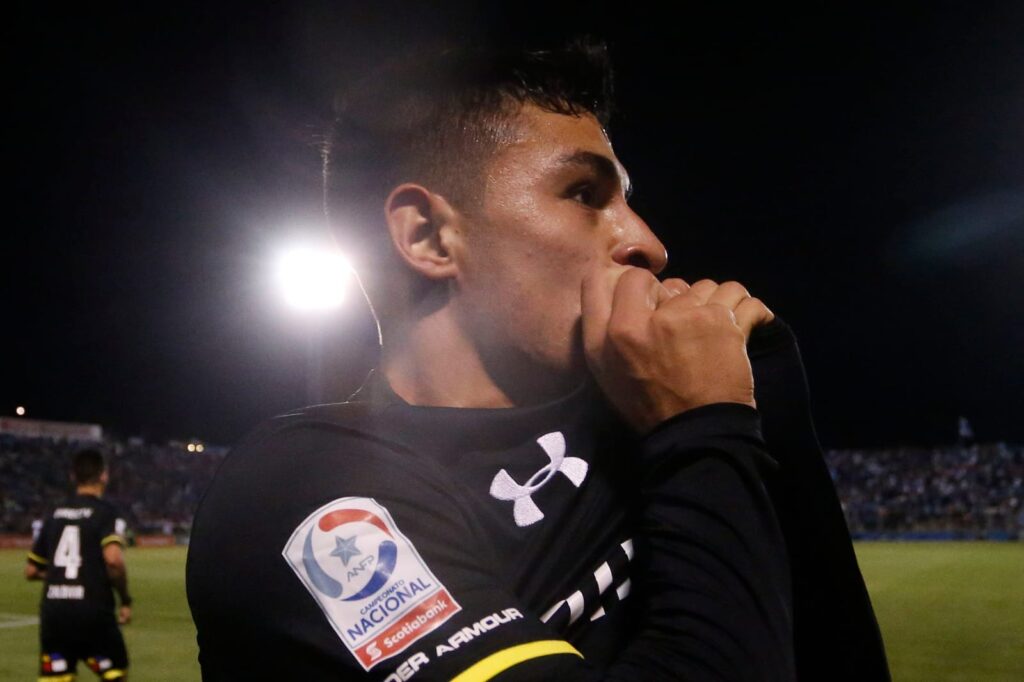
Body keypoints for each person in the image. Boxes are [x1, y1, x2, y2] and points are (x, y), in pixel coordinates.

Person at [187, 36, 888, 680]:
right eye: (584, 193)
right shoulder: (310, 492)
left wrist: (770, 407)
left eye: (628, 201)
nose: (647, 242)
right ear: (430, 236)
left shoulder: (646, 417)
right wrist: (708, 431)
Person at [26, 448, 132, 681]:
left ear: (73, 476)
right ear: (104, 475)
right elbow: (113, 559)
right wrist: (125, 599)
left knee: (57, 676)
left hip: (54, 613)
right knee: (115, 674)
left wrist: (57, 576)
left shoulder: (54, 514)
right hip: (92, 611)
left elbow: (32, 570)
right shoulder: (106, 513)